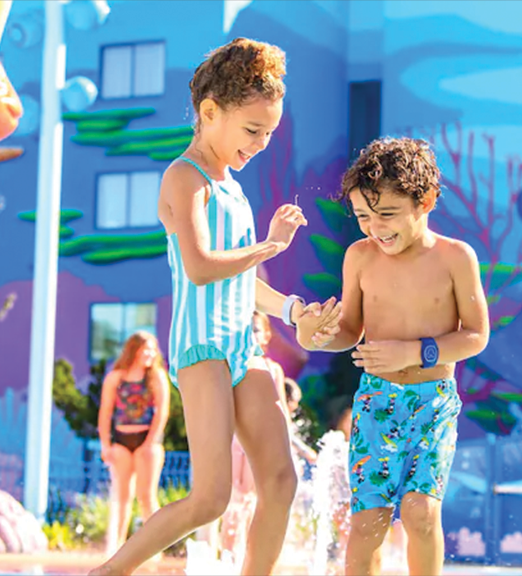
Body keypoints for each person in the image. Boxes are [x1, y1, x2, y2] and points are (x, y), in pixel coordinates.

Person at [90, 37, 340, 576]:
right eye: (253, 130)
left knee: (281, 480)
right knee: (211, 499)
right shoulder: (185, 178)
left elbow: (245, 280)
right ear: (209, 112)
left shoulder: (235, 190)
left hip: (242, 345)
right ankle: (105, 573)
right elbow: (202, 266)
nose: (262, 143)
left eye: (269, 133)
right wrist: (271, 245)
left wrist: (295, 311)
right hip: (201, 348)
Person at [298, 137, 490, 576]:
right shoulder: (359, 258)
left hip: (433, 401)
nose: (374, 228)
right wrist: (314, 337)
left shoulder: (456, 258)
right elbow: (348, 330)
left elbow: (476, 335)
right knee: (368, 524)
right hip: (376, 404)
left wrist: (416, 351)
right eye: (364, 216)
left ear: (426, 201)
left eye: (386, 214)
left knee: (421, 512)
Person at [97, 331, 172, 552]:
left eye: (152, 349)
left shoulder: (156, 376)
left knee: (146, 496)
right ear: (134, 349)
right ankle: (116, 547)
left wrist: (150, 443)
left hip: (147, 439)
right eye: (145, 349)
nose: (149, 353)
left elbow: (162, 411)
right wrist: (105, 444)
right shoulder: (116, 377)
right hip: (121, 440)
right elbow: (105, 411)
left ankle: (155, 548)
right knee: (122, 496)